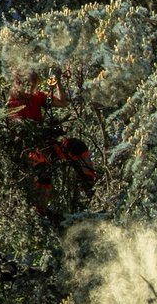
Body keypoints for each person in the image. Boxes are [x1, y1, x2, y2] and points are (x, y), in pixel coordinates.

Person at [6, 71, 97, 208]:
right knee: (43, 171)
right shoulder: (12, 103)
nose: (30, 89)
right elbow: (17, 127)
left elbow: (62, 103)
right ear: (17, 84)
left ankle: (90, 183)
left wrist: (58, 81)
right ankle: (40, 209)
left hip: (47, 144)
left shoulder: (37, 96)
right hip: (29, 150)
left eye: (33, 85)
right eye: (28, 85)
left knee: (76, 146)